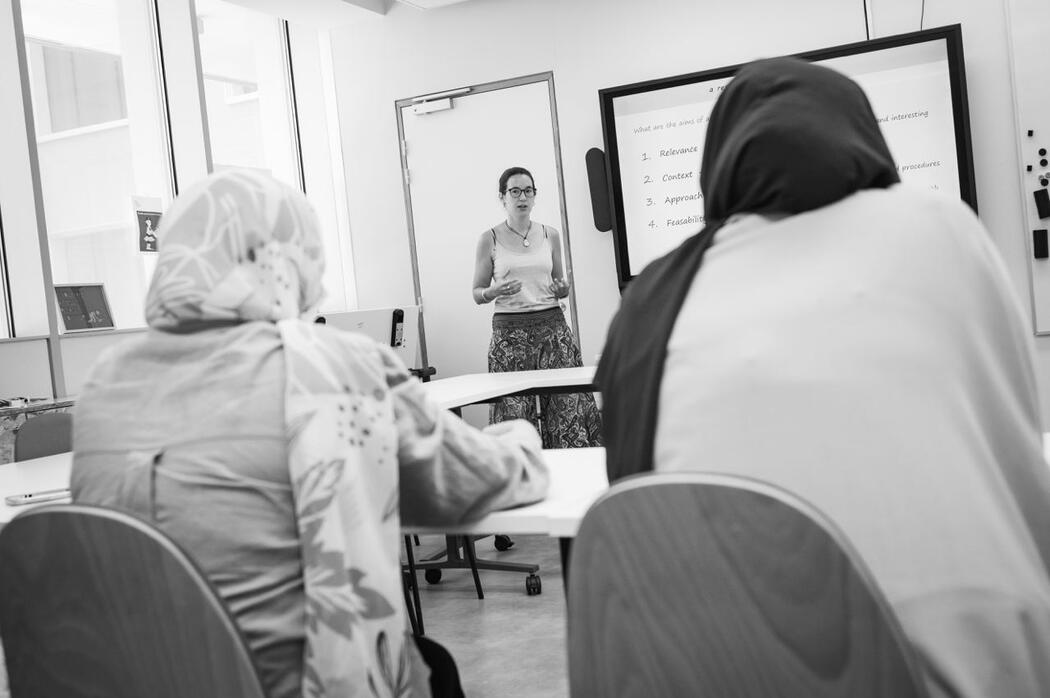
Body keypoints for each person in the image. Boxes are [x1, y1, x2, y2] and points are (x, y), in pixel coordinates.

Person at [596, 57, 1050, 697]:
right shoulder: (941, 226)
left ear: (718, 160)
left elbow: (633, 502)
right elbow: (1014, 444)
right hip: (954, 674)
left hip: (716, 669)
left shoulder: (649, 299)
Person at [71, 170, 550, 698]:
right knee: (433, 665)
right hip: (286, 681)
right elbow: (473, 482)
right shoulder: (329, 364)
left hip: (137, 675)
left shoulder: (106, 381)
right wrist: (520, 436)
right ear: (289, 260)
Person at [472, 166, 602, 449]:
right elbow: (477, 293)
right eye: (515, 191)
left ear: (534, 195)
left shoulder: (549, 234)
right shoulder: (489, 238)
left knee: (567, 412)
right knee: (514, 415)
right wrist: (493, 291)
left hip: (553, 331)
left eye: (528, 191)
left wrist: (562, 289)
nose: (522, 197)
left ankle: (571, 470)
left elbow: (560, 284)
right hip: (510, 337)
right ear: (502, 197)